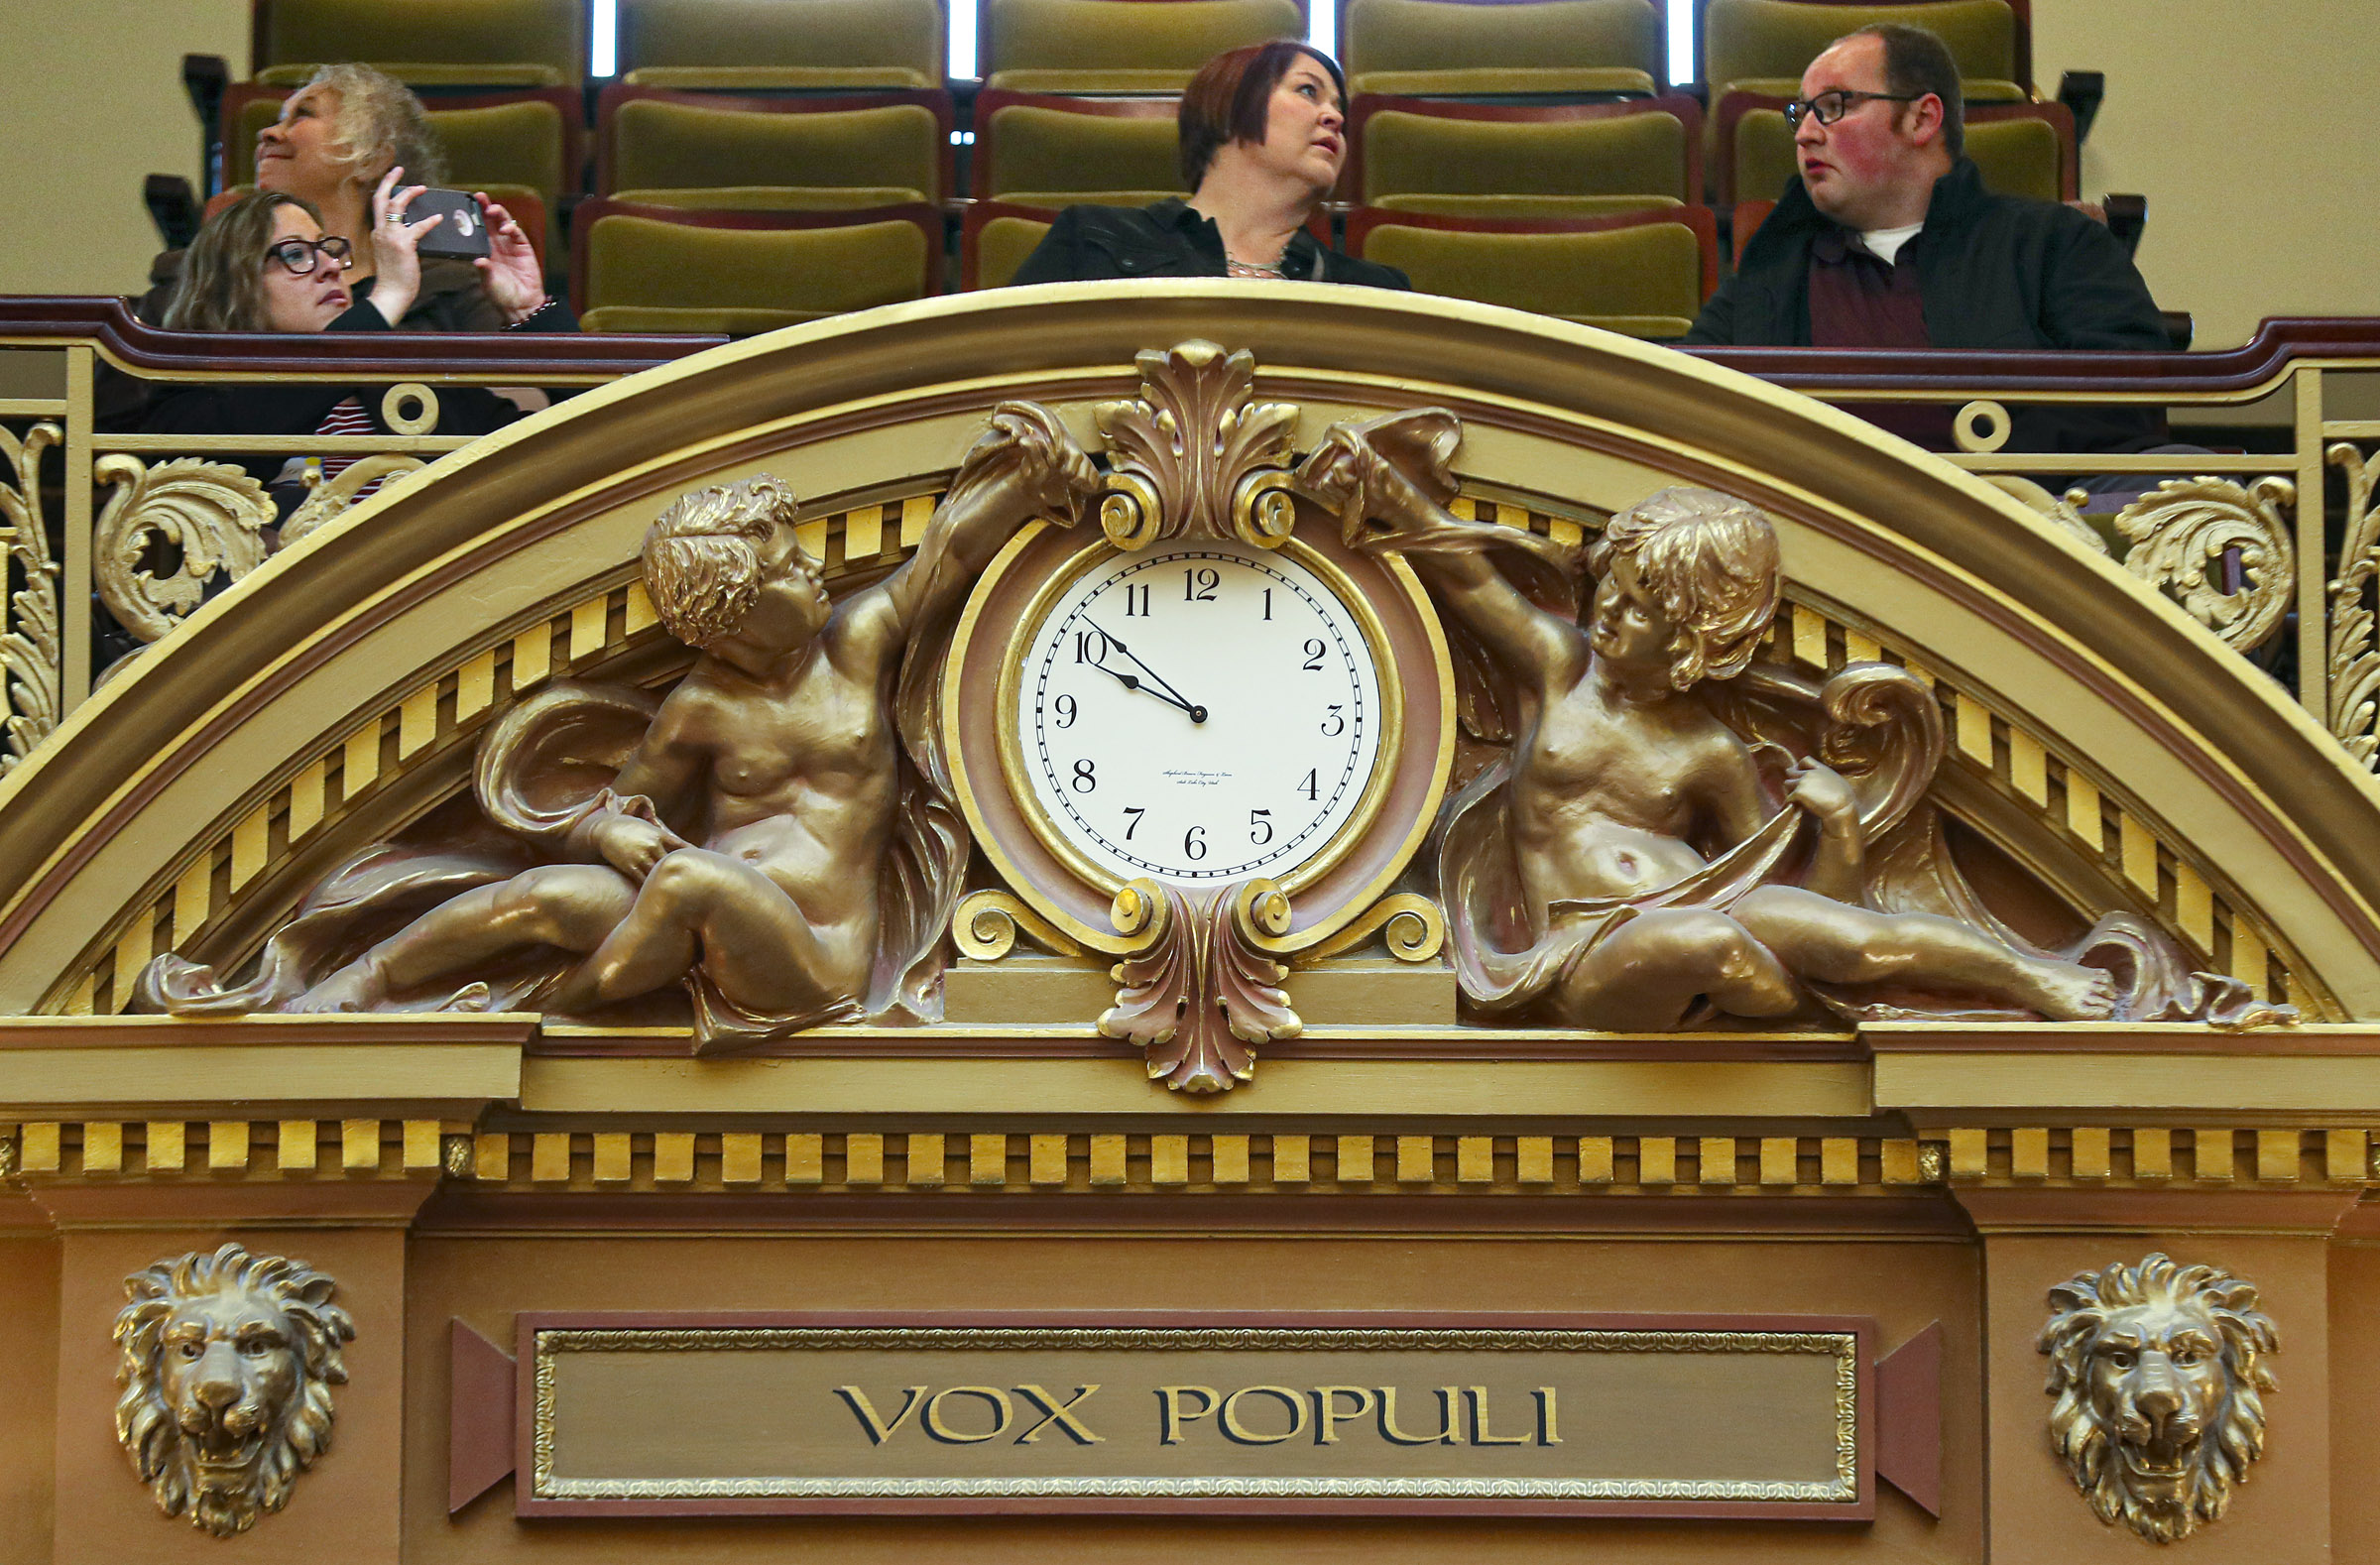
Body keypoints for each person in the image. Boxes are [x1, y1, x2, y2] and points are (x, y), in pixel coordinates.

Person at [140, 408, 1105, 1050]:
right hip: (690, 927)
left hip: (812, 956)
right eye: (784, 569)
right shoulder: (699, 712)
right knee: (542, 899)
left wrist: (1025, 477)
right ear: (731, 615)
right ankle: (348, 989)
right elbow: (613, 807)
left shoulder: (857, 644)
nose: (815, 570)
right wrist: (606, 831)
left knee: (687, 879)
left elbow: (946, 550)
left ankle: (555, 1016)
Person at [1685, 24, 2170, 454]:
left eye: (1832, 107)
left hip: (2016, 521)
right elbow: (1681, 403)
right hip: (1816, 531)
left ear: (1922, 119)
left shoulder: (2055, 243)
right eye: (1800, 114)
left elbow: (2127, 404)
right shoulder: (1771, 272)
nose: (1805, 134)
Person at [142, 184, 568, 507]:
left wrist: (530, 306)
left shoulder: (410, 381)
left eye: (329, 251)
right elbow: (214, 461)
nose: (329, 267)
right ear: (230, 287)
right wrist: (385, 300)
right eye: (295, 255)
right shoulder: (193, 392)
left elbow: (579, 451)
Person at [140, 64, 520, 332]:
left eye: (301, 116)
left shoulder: (447, 292)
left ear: (370, 159)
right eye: (278, 119)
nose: (268, 133)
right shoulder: (193, 280)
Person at [1010, 41, 1407, 289]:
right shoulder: (1091, 239)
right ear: (1230, 106)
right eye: (1308, 91)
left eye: (1339, 108)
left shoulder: (1372, 288)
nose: (1334, 118)